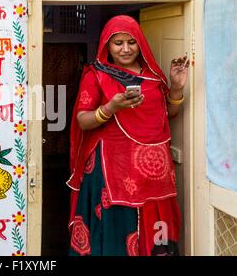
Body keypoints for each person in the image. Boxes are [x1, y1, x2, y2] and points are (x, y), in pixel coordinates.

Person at [68, 15, 189, 256]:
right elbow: (83, 120)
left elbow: (168, 114)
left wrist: (176, 87)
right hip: (112, 166)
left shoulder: (153, 77)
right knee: (116, 226)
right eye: (118, 43)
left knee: (156, 229)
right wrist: (111, 107)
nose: (125, 49)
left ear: (141, 44)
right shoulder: (97, 75)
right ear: (106, 46)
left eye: (131, 42)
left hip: (153, 171)